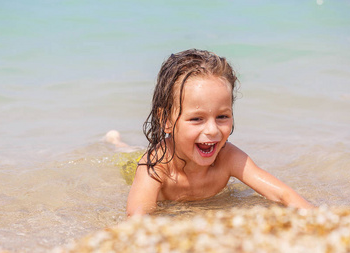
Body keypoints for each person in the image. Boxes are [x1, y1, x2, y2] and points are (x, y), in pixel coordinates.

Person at [126, 49, 314, 216]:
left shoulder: (227, 158)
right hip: (134, 165)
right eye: (196, 119)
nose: (212, 130)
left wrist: (317, 218)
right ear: (166, 120)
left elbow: (282, 194)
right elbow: (137, 216)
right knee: (126, 158)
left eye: (222, 117)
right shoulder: (155, 167)